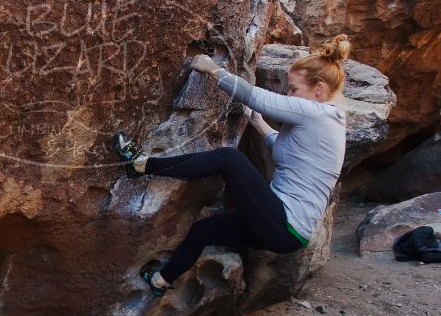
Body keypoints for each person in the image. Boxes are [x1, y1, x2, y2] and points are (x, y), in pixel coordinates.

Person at [112, 34, 351, 296]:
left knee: (229, 159)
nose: (288, 94)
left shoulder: (320, 114)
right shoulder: (326, 123)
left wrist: (213, 69)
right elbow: (286, 150)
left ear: (318, 90)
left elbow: (256, 97)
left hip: (285, 224)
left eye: (294, 89)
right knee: (204, 230)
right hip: (284, 230)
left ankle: (140, 165)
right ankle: (160, 281)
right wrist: (258, 123)